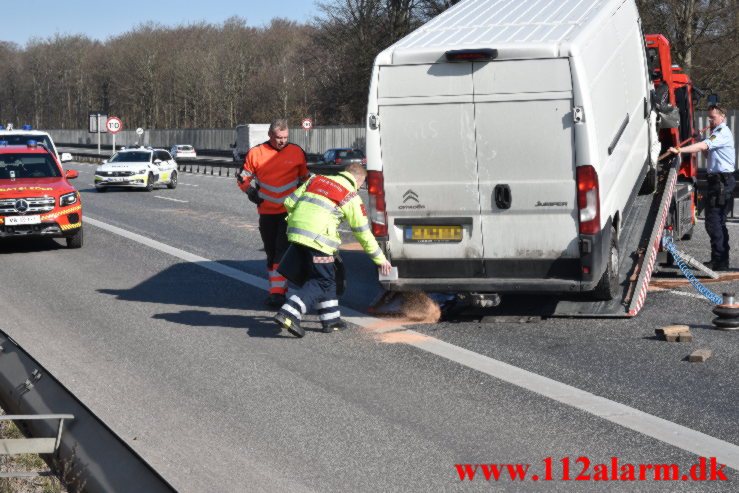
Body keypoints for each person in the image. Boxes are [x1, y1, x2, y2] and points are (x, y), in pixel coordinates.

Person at [273, 163, 393, 337]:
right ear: (359, 181)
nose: (360, 188)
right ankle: (289, 313)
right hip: (318, 240)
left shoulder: (315, 180)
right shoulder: (351, 197)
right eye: (362, 184)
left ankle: (331, 320)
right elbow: (363, 234)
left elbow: (289, 202)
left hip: (296, 233)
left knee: (328, 276)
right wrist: (380, 259)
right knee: (322, 280)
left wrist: (304, 219)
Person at [237, 119, 310, 307]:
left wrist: (303, 200)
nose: (282, 141)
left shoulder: (296, 151)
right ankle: (277, 288)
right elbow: (243, 177)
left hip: (289, 212)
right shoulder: (256, 153)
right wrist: (250, 191)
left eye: (285, 137)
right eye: (278, 137)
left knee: (281, 251)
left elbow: (305, 179)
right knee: (271, 253)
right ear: (270, 135)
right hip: (267, 211)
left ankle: (277, 294)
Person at [669, 104, 736, 270]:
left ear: (722, 117)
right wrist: (699, 140)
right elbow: (707, 152)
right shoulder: (716, 134)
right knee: (717, 222)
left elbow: (702, 148)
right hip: (718, 181)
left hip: (722, 182)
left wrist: (679, 150)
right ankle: (720, 260)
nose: (710, 120)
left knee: (714, 222)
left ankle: (720, 260)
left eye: (713, 117)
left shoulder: (721, 133)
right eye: (709, 117)